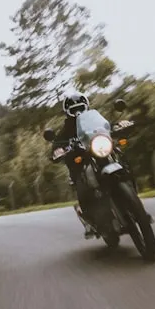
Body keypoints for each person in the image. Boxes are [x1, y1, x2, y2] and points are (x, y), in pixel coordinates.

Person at [51, 91, 98, 236]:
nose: (78, 112)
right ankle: (89, 220)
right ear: (68, 112)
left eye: (80, 108)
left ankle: (136, 204)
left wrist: (119, 125)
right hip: (79, 165)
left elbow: (106, 125)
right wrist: (58, 151)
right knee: (81, 183)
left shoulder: (94, 119)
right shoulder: (66, 130)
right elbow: (56, 144)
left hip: (99, 153)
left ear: (86, 107)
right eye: (74, 110)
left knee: (122, 161)